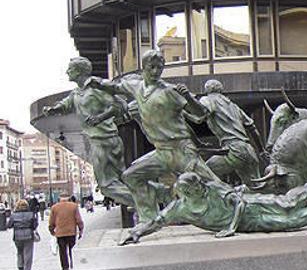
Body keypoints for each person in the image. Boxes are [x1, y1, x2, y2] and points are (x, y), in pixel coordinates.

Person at [98, 50, 220, 221]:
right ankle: (149, 218)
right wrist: (92, 82)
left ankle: (244, 207)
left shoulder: (171, 91)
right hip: (161, 152)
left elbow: (201, 114)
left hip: (181, 150)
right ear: (143, 68)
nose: (155, 71)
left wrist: (188, 98)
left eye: (159, 68)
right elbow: (114, 86)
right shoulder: (136, 86)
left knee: (214, 185)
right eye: (152, 67)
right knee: (131, 176)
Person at [119, 173, 307, 245]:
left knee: (286, 204)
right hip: (248, 224)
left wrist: (230, 228)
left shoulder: (213, 190)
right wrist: (137, 232)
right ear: (186, 192)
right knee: (288, 223)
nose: (200, 188)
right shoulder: (180, 208)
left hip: (250, 208)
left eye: (199, 185)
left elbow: (239, 202)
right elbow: (157, 221)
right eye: (194, 188)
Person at [41, 57, 135, 207]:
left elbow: (121, 105)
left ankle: (144, 204)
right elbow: (65, 105)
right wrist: (53, 110)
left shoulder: (95, 87)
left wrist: (100, 118)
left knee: (106, 185)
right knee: (122, 178)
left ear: (79, 71)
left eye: (70, 69)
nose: (67, 72)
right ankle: (147, 203)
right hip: (102, 140)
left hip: (103, 140)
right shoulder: (77, 93)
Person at [191, 79, 264, 186]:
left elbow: (201, 112)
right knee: (256, 188)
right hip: (249, 150)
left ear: (206, 89)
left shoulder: (208, 99)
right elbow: (252, 128)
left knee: (203, 174)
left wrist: (188, 98)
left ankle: (225, 197)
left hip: (233, 151)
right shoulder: (233, 106)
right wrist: (261, 150)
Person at [49, 193, 84, 270]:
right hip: (71, 232)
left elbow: (51, 221)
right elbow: (78, 219)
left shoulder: (54, 207)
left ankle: (65, 266)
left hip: (60, 233)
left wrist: (52, 230)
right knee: (72, 249)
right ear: (68, 198)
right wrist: (81, 229)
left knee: (62, 251)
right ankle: (73, 264)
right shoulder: (74, 206)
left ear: (59, 198)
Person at [10, 199, 38, 270]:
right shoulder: (31, 214)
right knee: (28, 252)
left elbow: (9, 225)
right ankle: (27, 269)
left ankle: (20, 267)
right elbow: (34, 225)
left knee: (19, 252)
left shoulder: (13, 215)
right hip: (28, 235)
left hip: (17, 236)